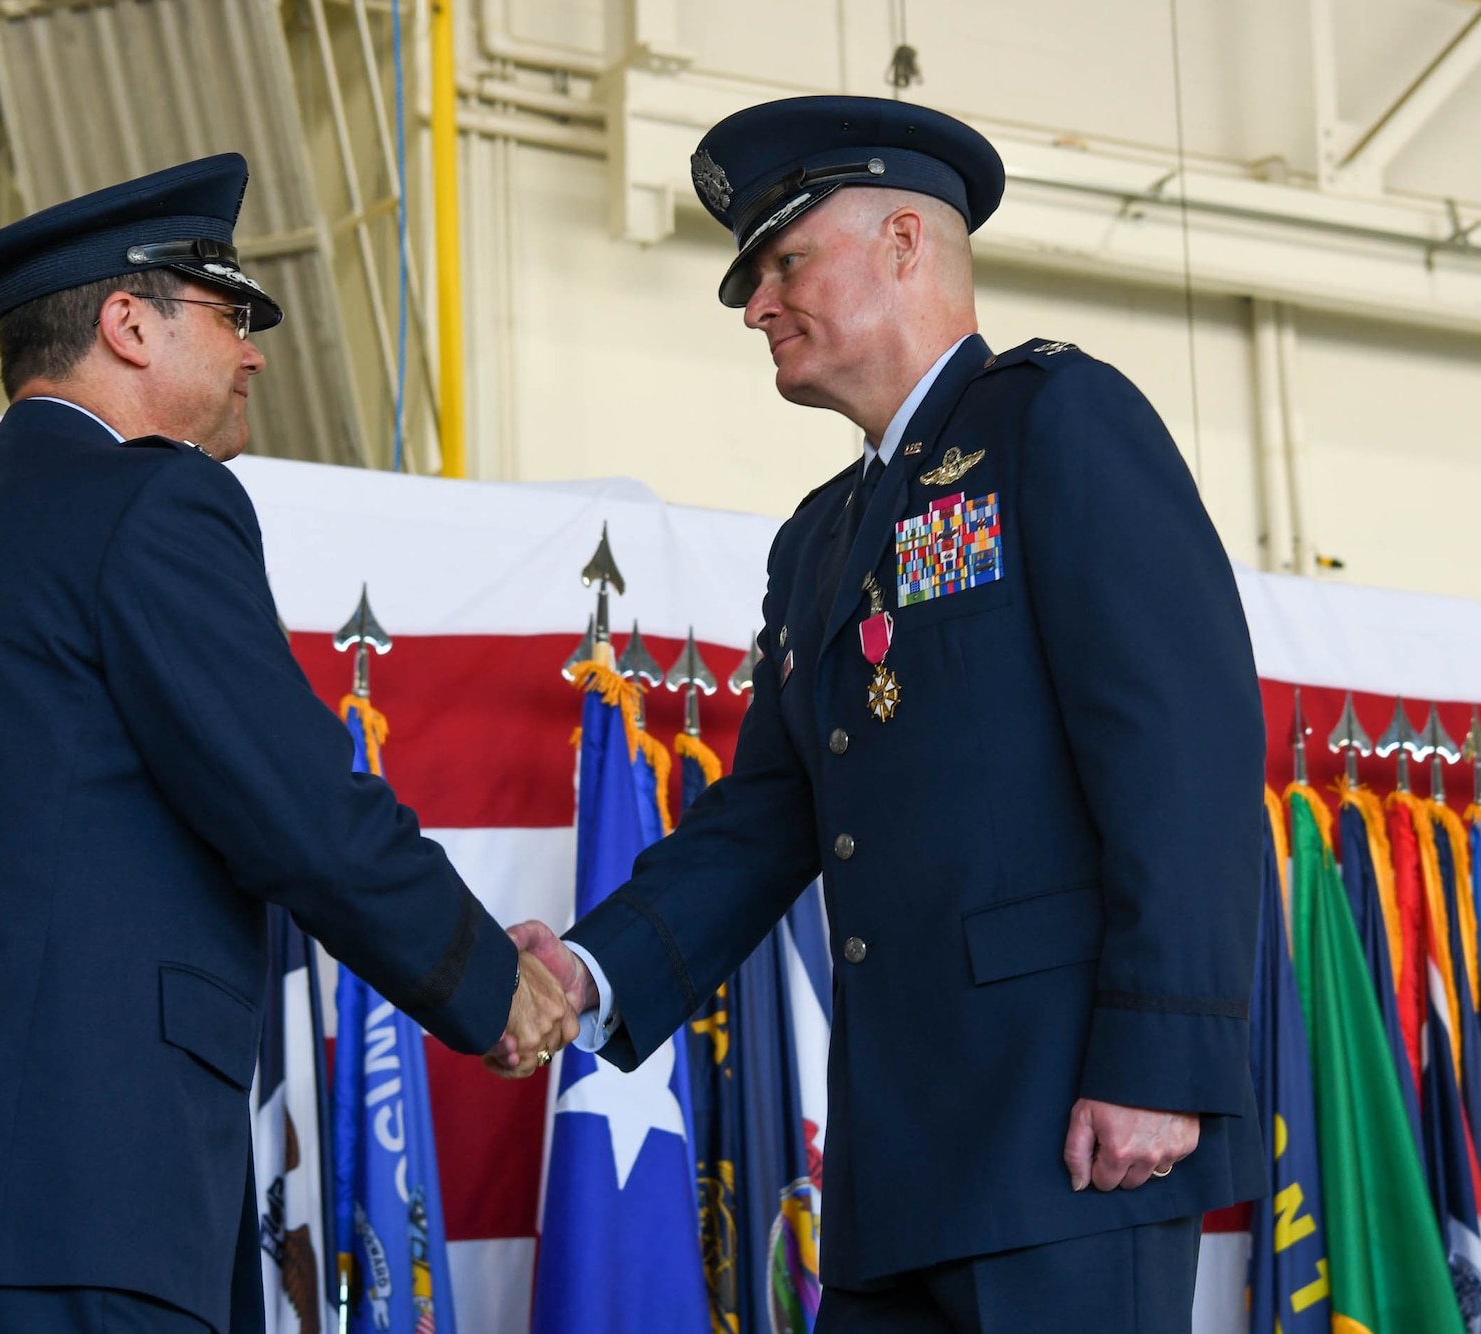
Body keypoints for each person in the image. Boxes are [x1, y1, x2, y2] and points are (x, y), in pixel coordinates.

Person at [0, 152, 575, 1334]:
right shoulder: (149, 502)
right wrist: (489, 982)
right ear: (128, 323)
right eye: (228, 313)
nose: (253, 352)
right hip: (58, 1199)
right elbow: (296, 801)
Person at [508, 97, 1265, 1332]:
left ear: (906, 241)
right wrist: (588, 969)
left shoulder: (1055, 422)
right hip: (894, 1169)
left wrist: (1157, 1061)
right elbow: (763, 820)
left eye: (783, 262)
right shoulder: (817, 540)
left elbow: (1181, 749)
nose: (756, 304)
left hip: (1068, 1137)